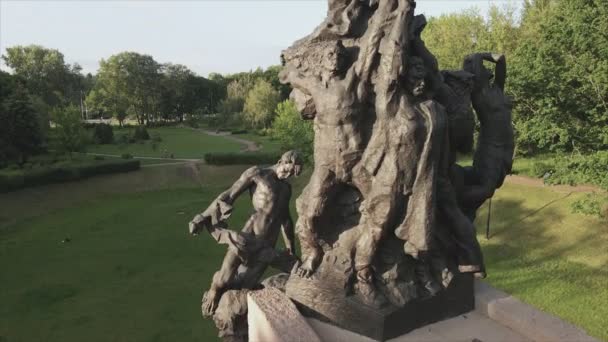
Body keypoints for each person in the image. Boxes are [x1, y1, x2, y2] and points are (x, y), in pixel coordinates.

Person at [188, 151, 302, 316]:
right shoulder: (257, 174)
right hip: (246, 239)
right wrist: (201, 218)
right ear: (280, 161)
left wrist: (291, 249)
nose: (288, 175)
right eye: (287, 170)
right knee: (224, 281)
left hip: (267, 245)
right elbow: (227, 196)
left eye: (292, 174)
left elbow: (286, 220)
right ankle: (213, 290)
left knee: (244, 287)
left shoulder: (286, 188)